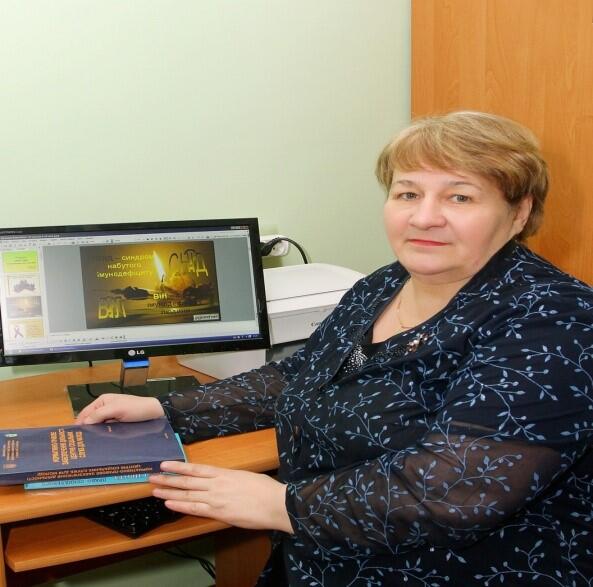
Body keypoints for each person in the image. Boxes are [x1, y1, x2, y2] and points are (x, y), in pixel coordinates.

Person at [77, 111, 593, 586]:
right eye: (407, 193)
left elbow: (457, 488)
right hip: (320, 556)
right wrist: (168, 409)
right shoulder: (383, 284)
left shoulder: (556, 317)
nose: (424, 217)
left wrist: (283, 504)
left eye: (460, 198)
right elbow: (301, 373)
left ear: (519, 212)